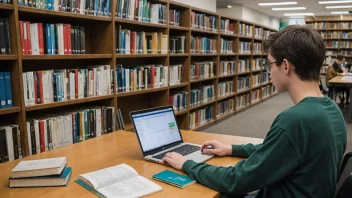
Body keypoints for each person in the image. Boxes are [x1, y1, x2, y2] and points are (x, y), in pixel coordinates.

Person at [162, 25, 347, 198]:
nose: (268, 71)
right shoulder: (332, 110)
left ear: (285, 66)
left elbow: (237, 180)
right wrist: (232, 149)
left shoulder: (294, 120)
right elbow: (278, 150)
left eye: (269, 64)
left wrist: (187, 164)